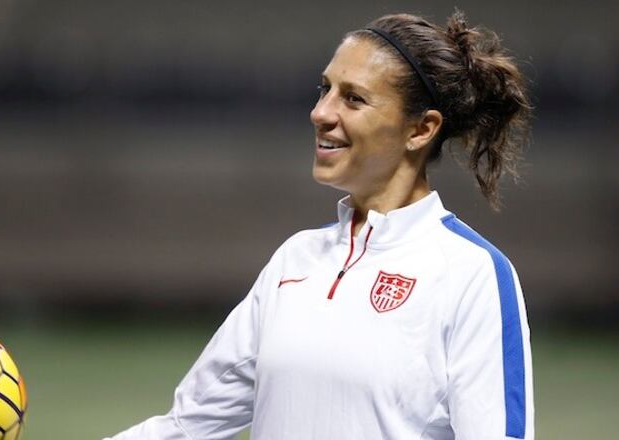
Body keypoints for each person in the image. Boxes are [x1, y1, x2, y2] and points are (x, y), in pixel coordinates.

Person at [106, 10, 533, 440]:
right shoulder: (295, 260)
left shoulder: (470, 274)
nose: (320, 113)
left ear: (421, 129)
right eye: (324, 89)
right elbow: (186, 427)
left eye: (353, 99)